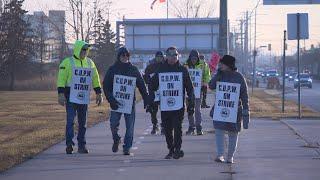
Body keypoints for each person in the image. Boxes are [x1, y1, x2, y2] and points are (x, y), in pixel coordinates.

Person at [57, 40, 103, 154]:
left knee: (83, 122)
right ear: (78, 49)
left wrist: (99, 93)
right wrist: (60, 94)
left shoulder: (90, 63)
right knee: (70, 120)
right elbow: (61, 78)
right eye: (83, 49)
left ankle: (82, 145)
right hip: (70, 95)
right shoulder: (67, 62)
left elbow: (95, 78)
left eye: (86, 50)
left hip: (83, 96)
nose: (85, 52)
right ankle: (69, 144)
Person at [149, 46, 195, 159]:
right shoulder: (161, 69)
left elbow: (189, 87)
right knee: (168, 129)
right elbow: (152, 85)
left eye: (176, 54)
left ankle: (178, 149)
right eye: (171, 55)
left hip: (179, 105)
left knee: (178, 127)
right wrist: (151, 98)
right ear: (167, 56)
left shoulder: (183, 69)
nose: (174, 57)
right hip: (165, 105)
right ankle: (171, 149)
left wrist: (191, 102)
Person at [103, 47, 149, 156]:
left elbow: (142, 85)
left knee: (130, 126)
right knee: (113, 124)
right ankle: (116, 138)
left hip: (129, 103)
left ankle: (127, 147)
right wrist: (111, 100)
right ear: (118, 56)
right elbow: (106, 86)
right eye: (122, 55)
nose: (125, 57)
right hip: (115, 101)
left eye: (127, 55)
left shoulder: (134, 69)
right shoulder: (112, 69)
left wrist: (146, 99)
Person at [208, 55, 250, 164]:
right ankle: (220, 155)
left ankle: (230, 157)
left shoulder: (239, 77)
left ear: (228, 65)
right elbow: (211, 86)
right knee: (219, 131)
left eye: (222, 63)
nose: (220, 65)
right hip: (220, 108)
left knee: (233, 134)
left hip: (235, 111)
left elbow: (245, 96)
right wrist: (217, 74)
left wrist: (246, 112)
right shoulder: (220, 75)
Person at [184, 51, 211, 135]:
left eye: (195, 58)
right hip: (188, 91)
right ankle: (191, 127)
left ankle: (199, 127)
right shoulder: (185, 66)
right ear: (190, 58)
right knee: (190, 109)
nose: (194, 60)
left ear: (198, 58)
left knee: (197, 109)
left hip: (199, 90)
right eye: (192, 58)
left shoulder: (203, 65)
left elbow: (207, 75)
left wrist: (204, 82)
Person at [144, 51, 165, 135]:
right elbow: (145, 78)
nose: (159, 58)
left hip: (163, 91)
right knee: (153, 110)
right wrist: (149, 81)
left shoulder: (166, 66)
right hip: (153, 91)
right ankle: (155, 125)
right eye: (158, 57)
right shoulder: (150, 67)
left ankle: (163, 126)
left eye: (161, 57)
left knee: (164, 110)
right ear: (155, 57)